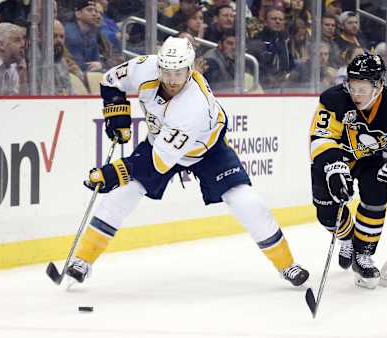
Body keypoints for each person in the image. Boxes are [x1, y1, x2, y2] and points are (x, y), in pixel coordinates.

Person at [65, 37, 309, 288]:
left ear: (190, 69)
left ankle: (287, 264)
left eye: (178, 72)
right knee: (121, 196)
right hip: (159, 142)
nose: (171, 79)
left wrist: (113, 173)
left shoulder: (194, 106)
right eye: (166, 71)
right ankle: (82, 260)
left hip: (206, 150)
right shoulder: (145, 67)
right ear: (159, 66)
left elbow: (158, 164)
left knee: (246, 201)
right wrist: (117, 114)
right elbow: (110, 81)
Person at [309, 53, 387, 289]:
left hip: (373, 160)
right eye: (353, 87)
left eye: (363, 88)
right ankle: (346, 238)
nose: (356, 94)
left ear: (379, 85)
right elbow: (320, 137)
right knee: (325, 211)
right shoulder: (333, 100)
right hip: (338, 157)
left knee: (375, 194)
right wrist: (333, 166)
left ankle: (363, 254)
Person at [0, 22, 26, 95]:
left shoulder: (12, 66)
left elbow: (19, 102)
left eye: (23, 40)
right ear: (1, 45)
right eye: (17, 40)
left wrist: (22, 77)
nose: (23, 44)